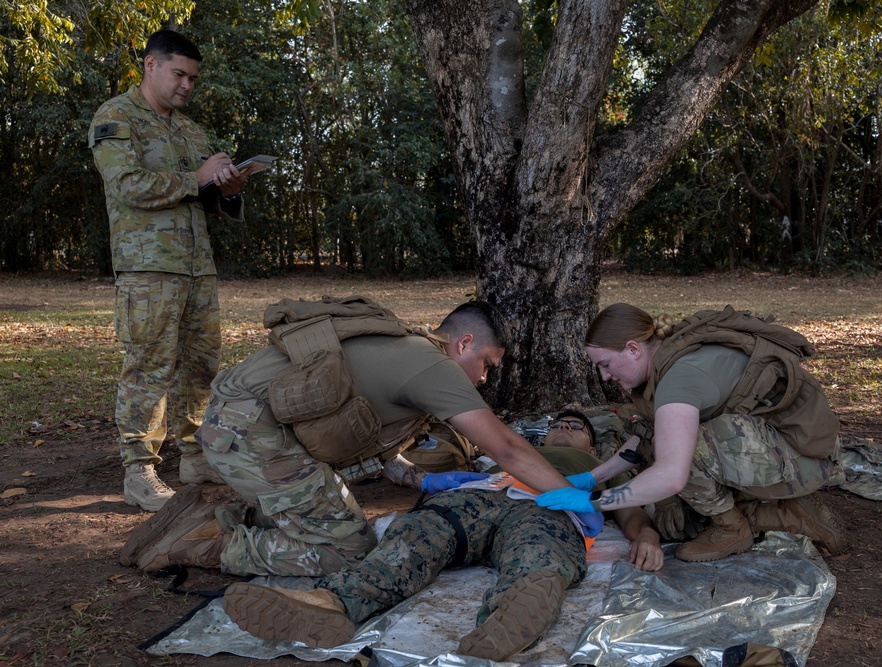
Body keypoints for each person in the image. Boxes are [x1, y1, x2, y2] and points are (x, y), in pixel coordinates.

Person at [119, 300, 577, 577]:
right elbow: (508, 448)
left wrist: (421, 480)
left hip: (241, 424)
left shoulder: (410, 347)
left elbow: (379, 445)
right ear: (464, 343)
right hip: (248, 434)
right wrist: (576, 499)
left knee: (328, 517)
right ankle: (207, 543)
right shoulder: (435, 367)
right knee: (348, 551)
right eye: (487, 365)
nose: (483, 379)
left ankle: (225, 513)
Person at [220, 412, 663, 661]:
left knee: (539, 557)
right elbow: (435, 480)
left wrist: (646, 536)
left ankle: (506, 624)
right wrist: (408, 473)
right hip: (475, 499)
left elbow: (630, 510)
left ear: (590, 445)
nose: (564, 428)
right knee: (415, 537)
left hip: (548, 513)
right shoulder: (506, 458)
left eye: (575, 426)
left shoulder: (592, 472)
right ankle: (331, 604)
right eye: (558, 424)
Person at [536, 303, 846, 563]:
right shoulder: (669, 357)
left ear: (632, 349)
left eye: (605, 364)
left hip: (805, 460)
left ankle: (734, 527)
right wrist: (593, 476)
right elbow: (644, 437)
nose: (604, 376)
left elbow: (671, 474)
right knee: (677, 519)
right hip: (779, 445)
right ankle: (786, 514)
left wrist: (594, 500)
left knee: (679, 456)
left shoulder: (679, 380)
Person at [89, 29, 252, 512]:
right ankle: (139, 469)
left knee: (202, 363)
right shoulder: (116, 117)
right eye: (179, 74)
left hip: (196, 265)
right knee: (149, 365)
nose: (186, 85)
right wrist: (195, 177)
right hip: (148, 267)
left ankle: (194, 453)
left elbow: (203, 195)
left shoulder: (190, 130)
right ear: (150, 65)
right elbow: (125, 185)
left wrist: (227, 188)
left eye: (193, 79)